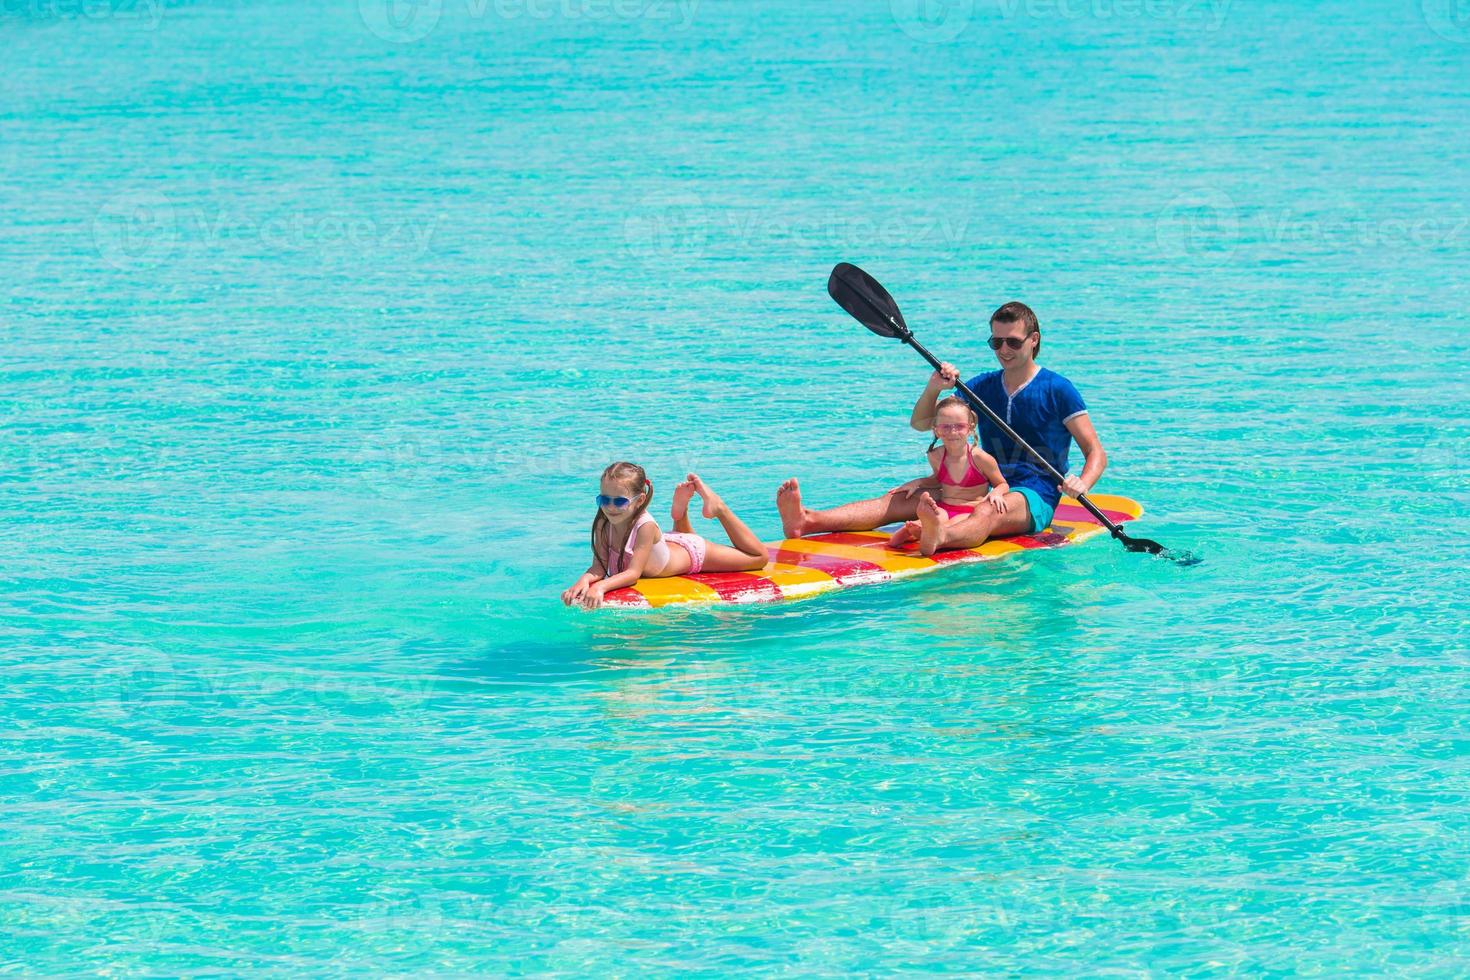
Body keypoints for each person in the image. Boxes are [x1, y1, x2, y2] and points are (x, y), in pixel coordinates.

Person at [776, 301, 1107, 555]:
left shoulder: (1058, 389)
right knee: (900, 498)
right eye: (996, 343)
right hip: (979, 477)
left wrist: (1082, 482)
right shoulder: (980, 387)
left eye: (1013, 343)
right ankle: (808, 520)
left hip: (1034, 490)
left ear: (1033, 340)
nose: (1004, 351)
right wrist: (935, 387)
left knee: (988, 511)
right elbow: (922, 424)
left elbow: (1095, 452)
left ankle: (940, 534)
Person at [563, 462, 768, 610]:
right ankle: (680, 513)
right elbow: (598, 567)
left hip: (692, 552)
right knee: (676, 543)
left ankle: (718, 507)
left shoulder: (646, 526)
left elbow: (634, 574)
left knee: (758, 557)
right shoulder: (602, 523)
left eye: (619, 502)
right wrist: (583, 581)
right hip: (668, 546)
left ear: (640, 500)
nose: (609, 507)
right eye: (604, 499)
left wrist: (600, 587)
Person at [885, 395, 1010, 550]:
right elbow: (938, 480)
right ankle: (916, 531)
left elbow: (1002, 483)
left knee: (951, 526)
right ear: (936, 430)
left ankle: (930, 535)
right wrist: (918, 482)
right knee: (911, 527)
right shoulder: (936, 455)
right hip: (945, 506)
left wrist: (997, 493)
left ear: (970, 428)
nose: (952, 432)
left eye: (959, 426)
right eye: (945, 427)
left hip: (971, 510)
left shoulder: (980, 458)